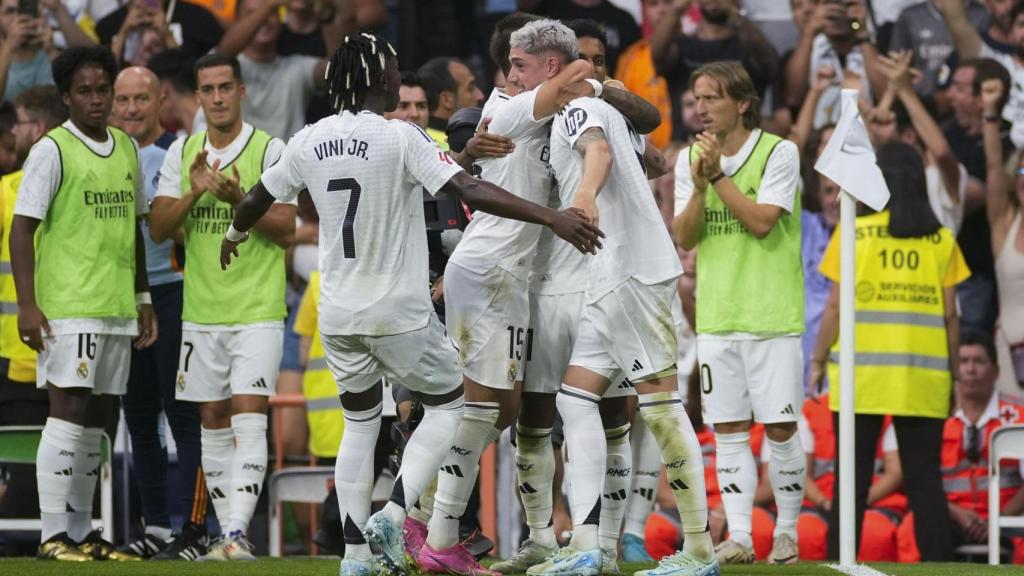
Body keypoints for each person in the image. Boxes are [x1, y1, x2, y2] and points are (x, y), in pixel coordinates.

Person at [220, 32, 601, 576]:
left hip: (337, 311)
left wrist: (233, 236)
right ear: (379, 78)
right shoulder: (400, 137)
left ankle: (353, 559)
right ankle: (397, 512)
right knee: (452, 406)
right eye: (395, 68)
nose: (401, 77)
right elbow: (469, 191)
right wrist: (553, 217)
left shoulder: (307, 139)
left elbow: (258, 196)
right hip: (396, 309)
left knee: (360, 423)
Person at [529, 19, 719, 576]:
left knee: (661, 409)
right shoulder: (600, 107)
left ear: (552, 68)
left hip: (630, 273)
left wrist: (583, 196)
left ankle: (700, 549)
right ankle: (588, 547)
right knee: (575, 398)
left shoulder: (579, 109)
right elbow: (647, 149)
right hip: (609, 275)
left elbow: (598, 154)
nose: (517, 77)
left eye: (523, 67)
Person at [491, 18, 665, 575]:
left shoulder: (607, 111)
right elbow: (470, 138)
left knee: (614, 415)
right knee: (536, 418)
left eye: (592, 61)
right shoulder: (515, 106)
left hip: (598, 278)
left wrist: (600, 94)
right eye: (576, 62)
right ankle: (542, 537)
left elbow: (653, 141)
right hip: (541, 283)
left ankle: (602, 544)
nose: (583, 71)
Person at [10, 45, 156, 561]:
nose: (97, 100)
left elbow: (136, 231)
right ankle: (55, 535)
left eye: (103, 91)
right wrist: (28, 304)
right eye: (86, 92)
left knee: (98, 420)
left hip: (115, 305)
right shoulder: (52, 149)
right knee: (68, 412)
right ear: (67, 96)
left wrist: (142, 297)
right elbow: (21, 229)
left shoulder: (126, 148)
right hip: (68, 306)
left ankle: (83, 531)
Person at [149, 52, 295, 561]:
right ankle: (223, 537)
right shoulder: (183, 151)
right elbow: (159, 227)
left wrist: (240, 200)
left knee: (248, 414)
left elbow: (286, 231)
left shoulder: (270, 149)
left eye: (224, 88)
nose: (216, 98)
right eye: (207, 89)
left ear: (241, 91)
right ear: (197, 95)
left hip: (257, 310)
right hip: (201, 313)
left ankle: (235, 531)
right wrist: (193, 193)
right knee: (211, 416)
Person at [810, 140, 971, 561]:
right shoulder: (939, 239)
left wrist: (816, 361)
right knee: (924, 481)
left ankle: (838, 564)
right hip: (923, 377)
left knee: (853, 479)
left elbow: (834, 306)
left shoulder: (853, 233)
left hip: (859, 378)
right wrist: (954, 375)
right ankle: (940, 568)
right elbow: (951, 316)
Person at [672, 61, 805, 565]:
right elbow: (685, 237)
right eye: (696, 98)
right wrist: (704, 183)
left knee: (780, 428)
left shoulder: (779, 151)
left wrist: (718, 177)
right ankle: (743, 538)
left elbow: (763, 223)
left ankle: (787, 534)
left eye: (711, 98)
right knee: (726, 429)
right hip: (717, 315)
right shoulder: (691, 160)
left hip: (771, 315)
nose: (701, 108)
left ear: (743, 103)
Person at [110, 66, 207, 561]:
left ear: (160, 99)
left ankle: (196, 530)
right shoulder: (107, 154)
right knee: (140, 417)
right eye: (122, 99)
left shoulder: (179, 152)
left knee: (183, 413)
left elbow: (193, 232)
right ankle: (157, 528)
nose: (130, 109)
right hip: (121, 300)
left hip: (173, 294)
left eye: (140, 99)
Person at [896, 331, 1024, 562]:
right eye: (963, 361)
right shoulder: (934, 416)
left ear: (996, 371)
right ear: (954, 370)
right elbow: (919, 479)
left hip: (1009, 516)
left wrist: (1000, 518)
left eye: (979, 361)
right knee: (912, 528)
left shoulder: (1020, 416)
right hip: (951, 516)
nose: (970, 370)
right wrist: (956, 514)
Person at [0, 84, 64, 545]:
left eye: (18, 124)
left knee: (25, 468)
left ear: (37, 129)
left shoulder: (7, 191)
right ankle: (68, 534)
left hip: (17, 352)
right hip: (66, 343)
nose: (11, 134)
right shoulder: (79, 183)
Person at [213, 0, 356, 140]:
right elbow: (222, 55)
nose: (265, 20)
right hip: (241, 161)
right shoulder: (227, 69)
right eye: (252, 13)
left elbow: (339, 72)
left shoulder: (296, 67)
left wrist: (325, 16)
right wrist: (270, 5)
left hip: (288, 161)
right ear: (237, 22)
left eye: (273, 13)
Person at [980, 76, 1024, 397]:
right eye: (1021, 172)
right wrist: (991, 114)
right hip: (1010, 354)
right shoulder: (1006, 224)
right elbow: (994, 166)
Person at [417, 56, 484, 149]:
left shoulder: (416, 139)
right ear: (447, 100)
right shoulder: (458, 147)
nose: (480, 95)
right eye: (470, 88)